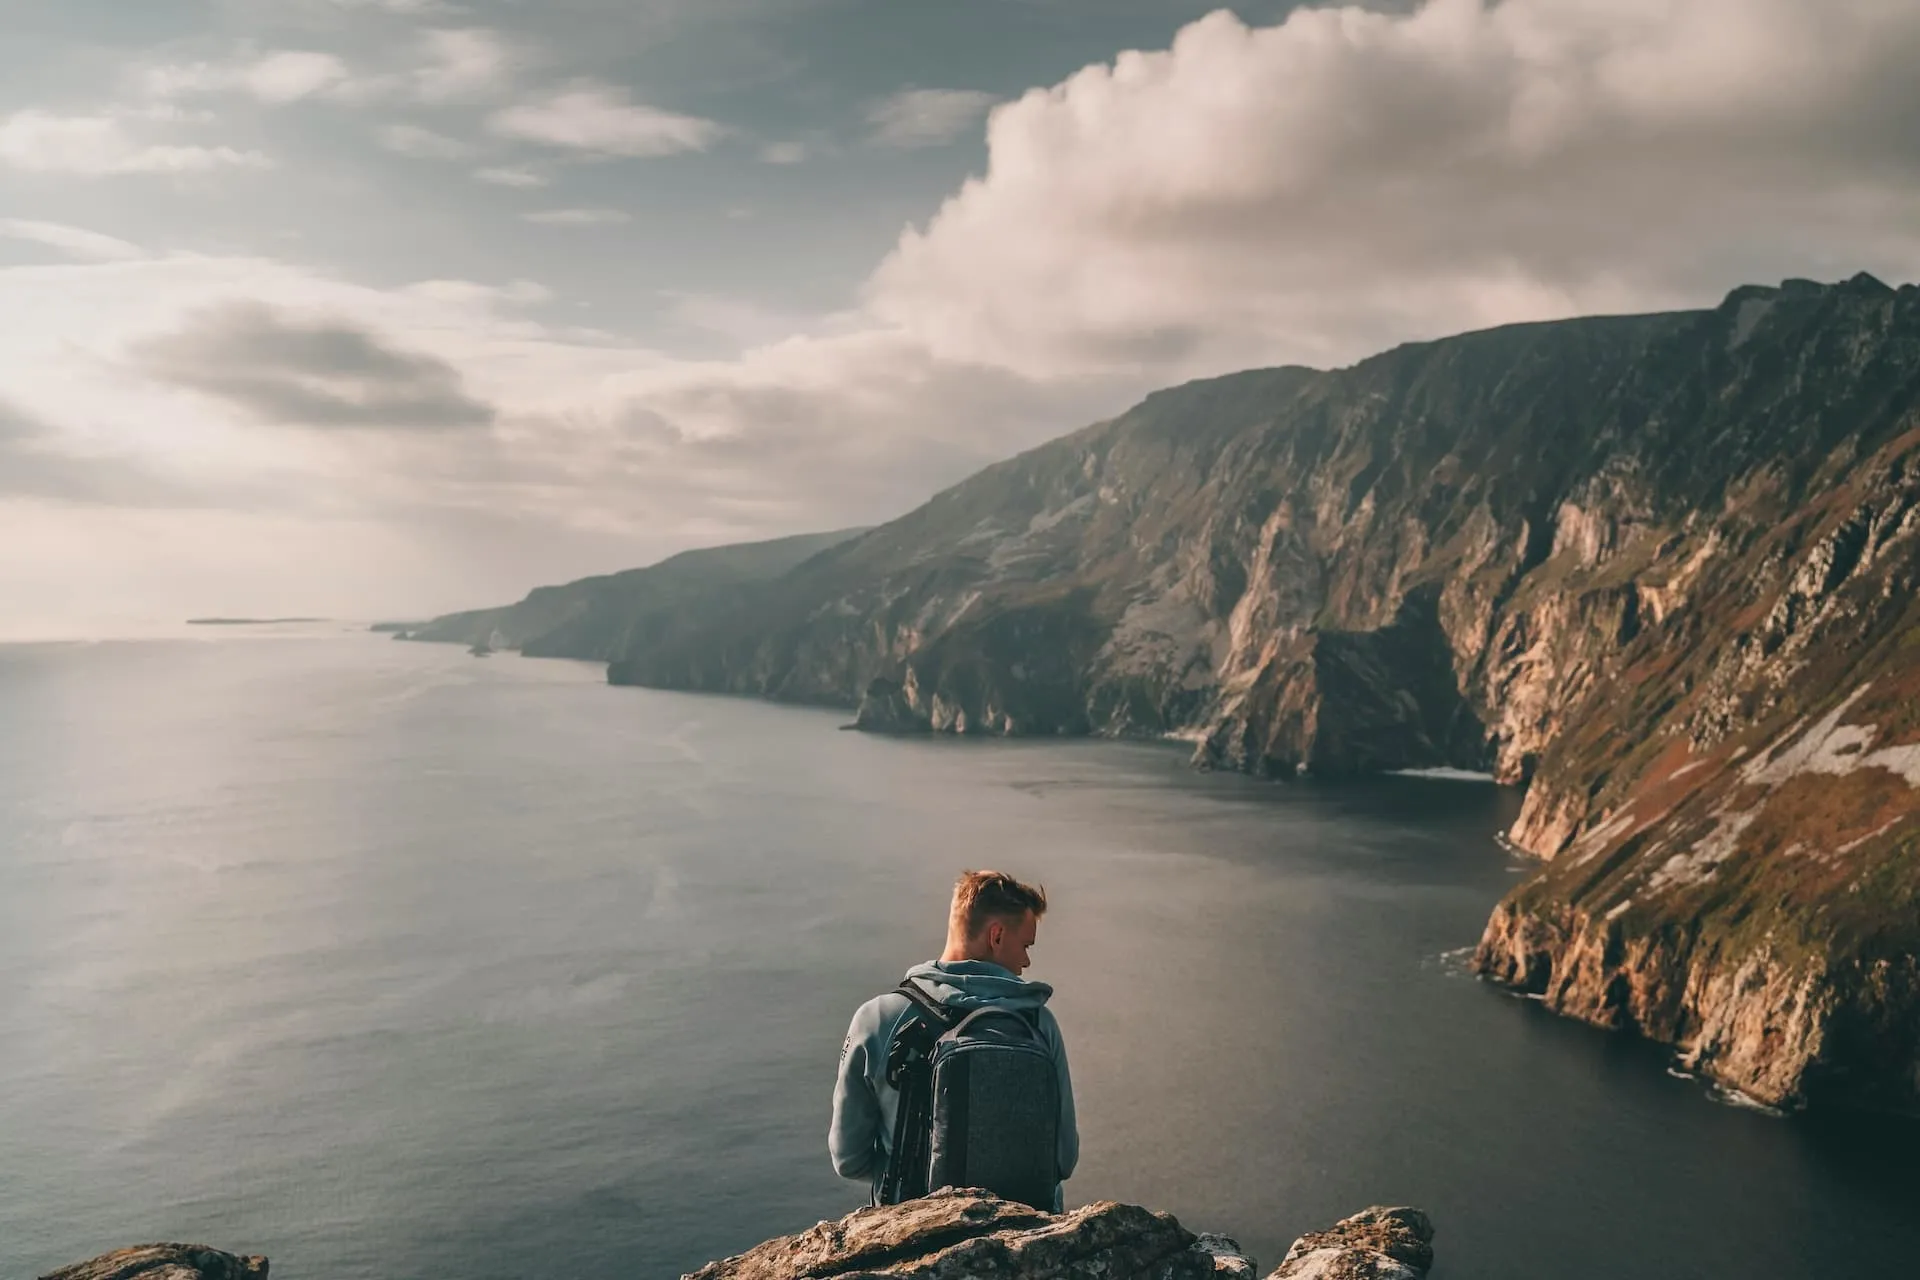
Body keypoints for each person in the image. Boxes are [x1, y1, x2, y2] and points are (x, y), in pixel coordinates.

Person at [829, 869, 1078, 1209]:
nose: (1026, 961)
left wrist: (905, 1175)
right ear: (997, 935)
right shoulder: (1037, 1023)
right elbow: (1064, 1158)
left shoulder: (877, 1018)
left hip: (915, 1225)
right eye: (1025, 945)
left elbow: (848, 1158)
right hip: (1025, 1225)